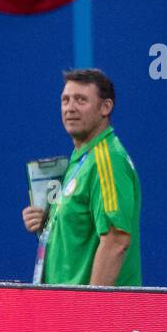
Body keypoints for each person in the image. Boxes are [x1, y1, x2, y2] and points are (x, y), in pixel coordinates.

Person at [21, 68, 141, 286]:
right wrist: (46, 224)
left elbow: (116, 240)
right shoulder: (82, 158)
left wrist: (91, 309)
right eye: (65, 100)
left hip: (90, 313)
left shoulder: (107, 161)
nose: (70, 108)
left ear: (106, 107)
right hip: (64, 307)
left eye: (81, 100)